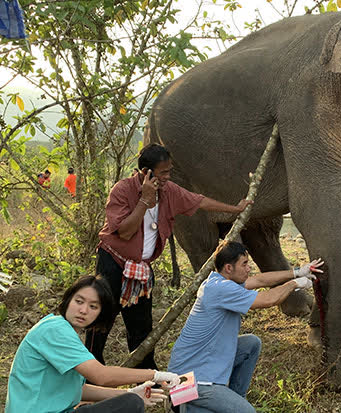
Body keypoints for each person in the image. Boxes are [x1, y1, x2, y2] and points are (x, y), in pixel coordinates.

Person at [85, 143, 252, 370]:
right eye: (164, 172)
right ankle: (91, 370)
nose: (168, 176)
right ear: (146, 173)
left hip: (140, 269)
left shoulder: (169, 191)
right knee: (102, 318)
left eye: (169, 171)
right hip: (113, 263)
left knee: (142, 328)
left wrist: (235, 209)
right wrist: (144, 200)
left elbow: (199, 200)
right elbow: (124, 232)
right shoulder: (122, 191)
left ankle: (145, 372)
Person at [168, 241, 323, 413]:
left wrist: (297, 272)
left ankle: (232, 398)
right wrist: (296, 284)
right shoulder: (221, 289)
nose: (249, 268)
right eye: (245, 264)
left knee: (251, 344)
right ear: (228, 268)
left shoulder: (218, 281)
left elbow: (259, 279)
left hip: (195, 373)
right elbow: (268, 300)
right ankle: (182, 405)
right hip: (189, 381)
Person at [5, 275, 181, 413]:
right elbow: (101, 376)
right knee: (130, 405)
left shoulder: (66, 332)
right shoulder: (55, 329)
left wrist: (128, 393)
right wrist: (154, 375)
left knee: (129, 401)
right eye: (79, 301)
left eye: (93, 307)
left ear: (100, 313)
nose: (83, 310)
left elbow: (77, 390)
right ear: (67, 301)